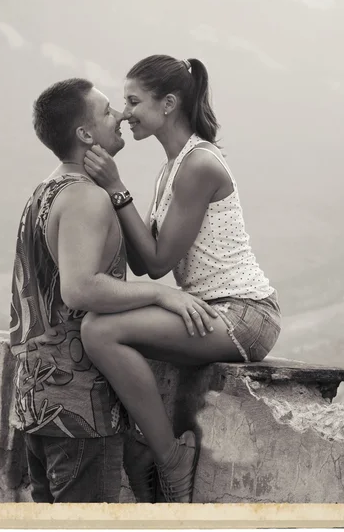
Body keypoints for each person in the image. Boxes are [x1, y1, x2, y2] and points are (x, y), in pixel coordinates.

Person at [81, 55, 282, 503]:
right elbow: (144, 262)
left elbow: (157, 259)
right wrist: (104, 196)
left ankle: (167, 457)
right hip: (210, 309)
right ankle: (152, 450)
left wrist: (116, 188)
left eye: (134, 101)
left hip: (244, 314)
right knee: (96, 322)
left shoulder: (199, 165)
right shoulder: (169, 169)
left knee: (99, 329)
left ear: (168, 103)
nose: (126, 111)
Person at [9, 77, 219, 503]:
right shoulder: (87, 198)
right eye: (107, 111)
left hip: (34, 404)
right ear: (85, 134)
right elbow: (81, 289)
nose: (120, 115)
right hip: (80, 412)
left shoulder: (44, 193)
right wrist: (161, 295)